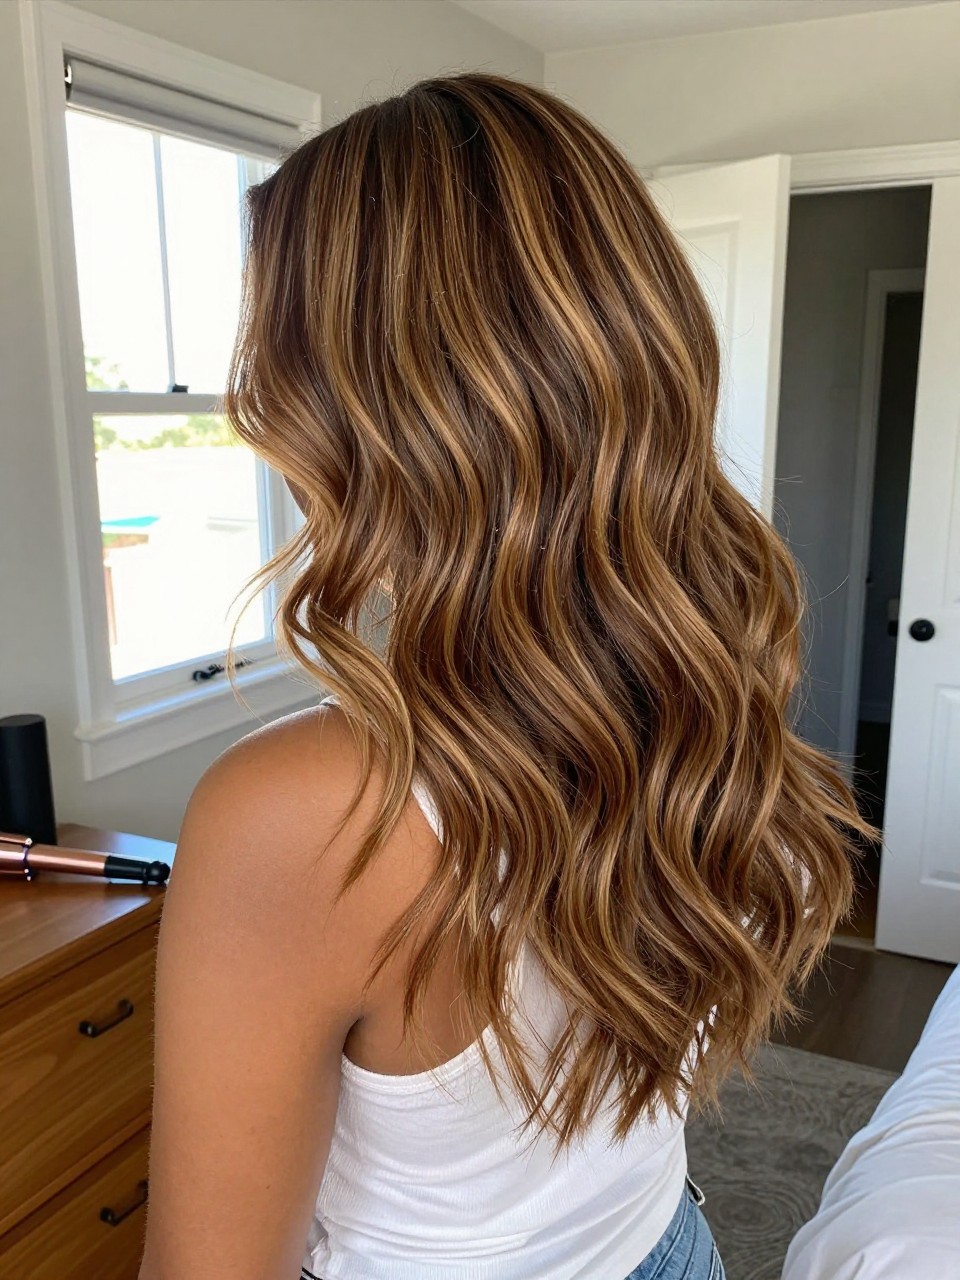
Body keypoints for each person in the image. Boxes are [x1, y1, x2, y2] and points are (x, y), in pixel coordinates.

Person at [137, 74, 869, 1280]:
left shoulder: (301, 810)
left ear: (353, 403)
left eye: (272, 353)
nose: (253, 407)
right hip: (665, 1243)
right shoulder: (700, 676)